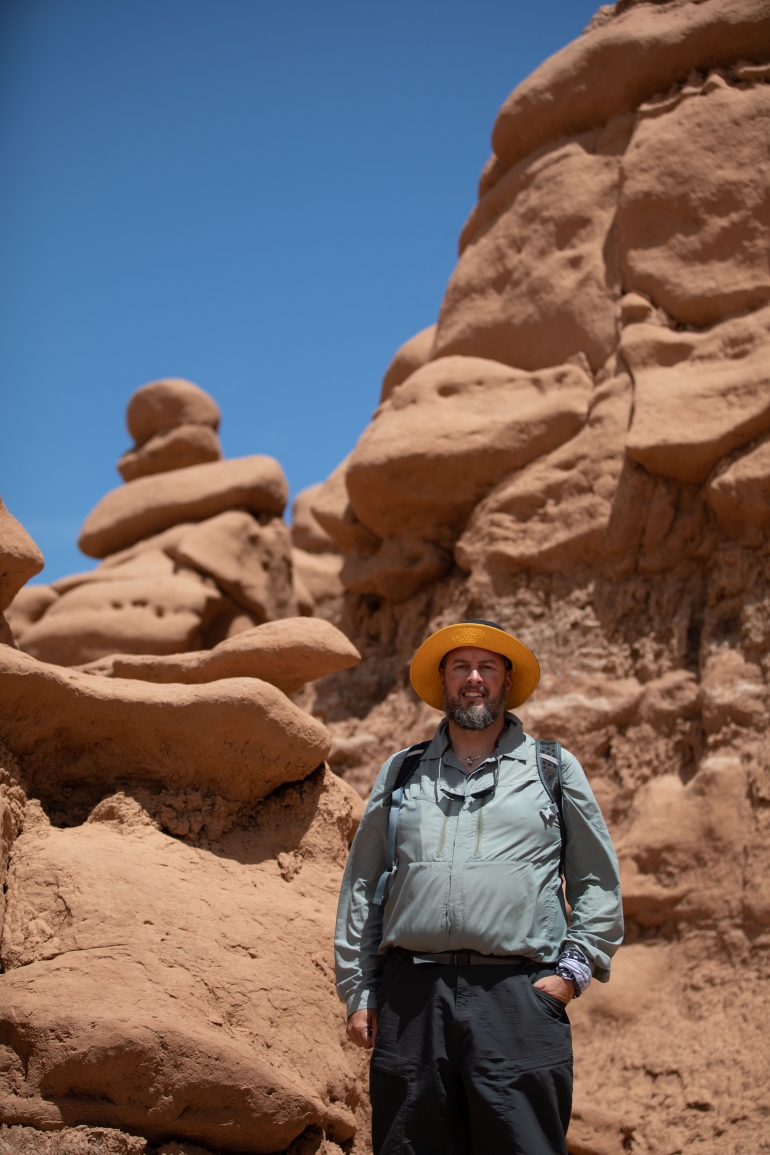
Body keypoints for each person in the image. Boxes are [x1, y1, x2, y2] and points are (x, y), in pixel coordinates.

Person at [335, 619, 623, 1155]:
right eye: (460, 667)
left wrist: (570, 976)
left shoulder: (552, 768)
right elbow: (363, 886)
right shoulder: (401, 773)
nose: (474, 678)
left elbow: (596, 881)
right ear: (443, 682)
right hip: (413, 1002)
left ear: (506, 682)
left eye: (487, 667)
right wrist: (360, 990)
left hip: (518, 999)